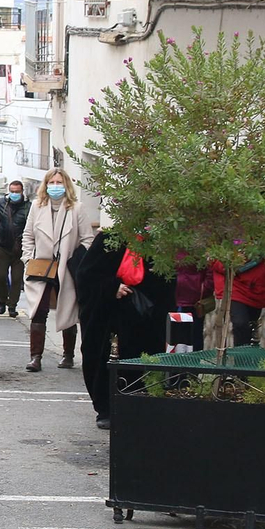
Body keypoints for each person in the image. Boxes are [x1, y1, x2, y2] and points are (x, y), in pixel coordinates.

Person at [71, 231, 177, 428]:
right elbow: (86, 275)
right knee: (103, 358)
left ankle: (139, 405)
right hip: (107, 316)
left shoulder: (157, 243)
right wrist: (112, 288)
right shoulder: (108, 240)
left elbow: (167, 281)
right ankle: (106, 408)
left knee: (144, 358)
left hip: (144, 318)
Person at [20, 168, 94, 372]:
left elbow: (87, 239)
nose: (55, 187)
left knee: (68, 309)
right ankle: (35, 357)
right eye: (51, 183)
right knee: (38, 310)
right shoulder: (37, 206)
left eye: (59, 183)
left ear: (67, 185)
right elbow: (28, 236)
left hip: (67, 267)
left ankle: (68, 354)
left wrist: (78, 260)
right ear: (45, 185)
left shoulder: (77, 208)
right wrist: (28, 258)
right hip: (41, 266)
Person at [212, 251, 265, 347]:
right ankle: (240, 360)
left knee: (251, 325)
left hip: (257, 285)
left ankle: (248, 356)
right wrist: (227, 266)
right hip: (234, 282)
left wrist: (263, 271)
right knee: (240, 323)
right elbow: (211, 254)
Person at [0, 180, 30, 318]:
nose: (14, 194)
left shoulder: (28, 207)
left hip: (20, 248)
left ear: (22, 192)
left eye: (17, 192)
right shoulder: (1, 204)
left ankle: (12, 305)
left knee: (16, 279)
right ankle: (2, 301)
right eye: (12, 191)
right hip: (3, 245)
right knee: (0, 276)